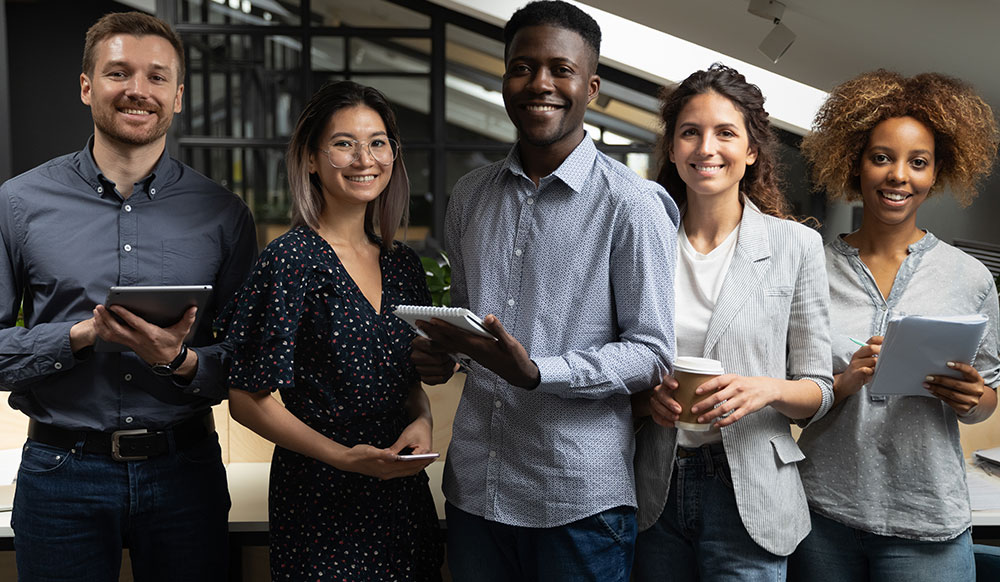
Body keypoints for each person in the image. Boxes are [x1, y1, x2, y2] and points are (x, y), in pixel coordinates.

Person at [410, 2, 679, 580]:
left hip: (578, 502)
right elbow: (469, 328)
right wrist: (443, 355)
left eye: (561, 69)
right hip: (475, 491)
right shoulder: (470, 195)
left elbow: (653, 353)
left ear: (593, 87)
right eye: (522, 67)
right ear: (503, 76)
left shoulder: (633, 205)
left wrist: (537, 372)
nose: (540, 84)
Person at [0, 11, 257, 581]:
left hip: (185, 473)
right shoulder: (17, 203)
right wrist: (80, 336)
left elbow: (245, 360)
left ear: (179, 96)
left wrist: (179, 361)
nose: (138, 90)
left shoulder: (224, 214)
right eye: (119, 73)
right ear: (87, 86)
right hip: (61, 472)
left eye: (157, 77)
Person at [216, 80, 443, 581]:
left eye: (378, 142)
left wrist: (422, 419)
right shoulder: (291, 259)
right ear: (312, 159)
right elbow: (245, 398)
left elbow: (406, 380)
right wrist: (345, 459)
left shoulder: (403, 264)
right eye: (344, 143)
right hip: (321, 496)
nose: (365, 158)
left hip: (402, 494)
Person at [788, 70, 1000, 582]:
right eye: (881, 157)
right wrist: (844, 382)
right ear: (855, 163)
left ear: (936, 173)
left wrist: (973, 399)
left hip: (927, 522)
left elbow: (987, 399)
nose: (898, 176)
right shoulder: (811, 267)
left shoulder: (969, 277)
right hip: (821, 517)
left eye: (917, 162)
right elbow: (788, 392)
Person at [630, 64, 834, 582]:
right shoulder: (642, 242)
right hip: (653, 482)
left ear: (752, 150)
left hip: (752, 492)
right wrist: (642, 398)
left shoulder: (796, 246)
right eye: (690, 132)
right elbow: (615, 358)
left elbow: (820, 388)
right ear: (672, 149)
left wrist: (764, 390)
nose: (706, 147)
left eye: (726, 133)